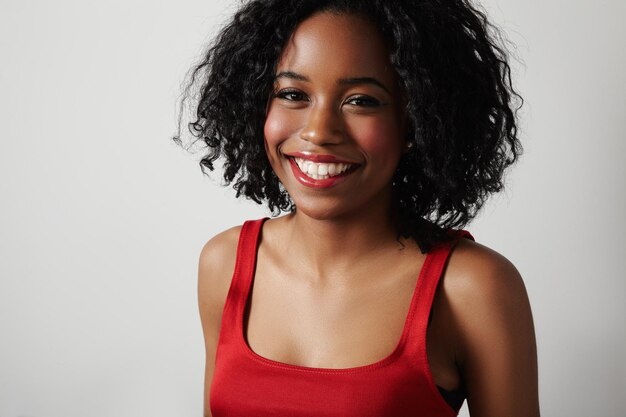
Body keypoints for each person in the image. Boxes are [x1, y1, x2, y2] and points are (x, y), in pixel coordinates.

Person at [177, 0, 539, 416]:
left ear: (415, 121)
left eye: (362, 101)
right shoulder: (223, 263)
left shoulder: (472, 288)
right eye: (293, 94)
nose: (319, 131)